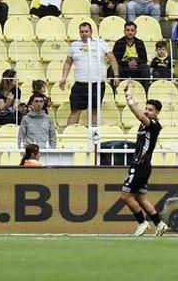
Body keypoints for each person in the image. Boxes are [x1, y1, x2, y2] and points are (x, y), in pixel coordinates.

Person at [120, 81, 167, 237]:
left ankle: (142, 222)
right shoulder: (144, 125)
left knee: (126, 195)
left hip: (140, 165)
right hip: (143, 165)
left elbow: (138, 114)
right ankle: (159, 223)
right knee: (140, 197)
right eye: (146, 109)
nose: (147, 112)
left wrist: (129, 99)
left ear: (157, 113)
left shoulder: (153, 124)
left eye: (151, 110)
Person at [59, 22, 119, 125]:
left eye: (86, 31)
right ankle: (70, 136)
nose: (84, 33)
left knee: (94, 111)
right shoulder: (74, 45)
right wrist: (63, 78)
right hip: (80, 84)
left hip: (97, 84)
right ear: (79, 32)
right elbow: (68, 63)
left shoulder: (101, 43)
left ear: (91, 32)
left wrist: (116, 76)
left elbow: (113, 60)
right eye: (82, 32)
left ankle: (94, 136)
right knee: (75, 111)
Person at [113, 22, 150, 89]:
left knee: (145, 67)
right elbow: (115, 60)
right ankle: (115, 92)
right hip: (124, 68)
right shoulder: (119, 42)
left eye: (132, 30)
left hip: (136, 68)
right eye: (127, 30)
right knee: (115, 68)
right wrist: (127, 63)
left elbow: (144, 59)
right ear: (124, 31)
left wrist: (135, 63)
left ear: (135, 32)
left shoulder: (140, 42)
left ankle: (145, 91)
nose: (130, 32)